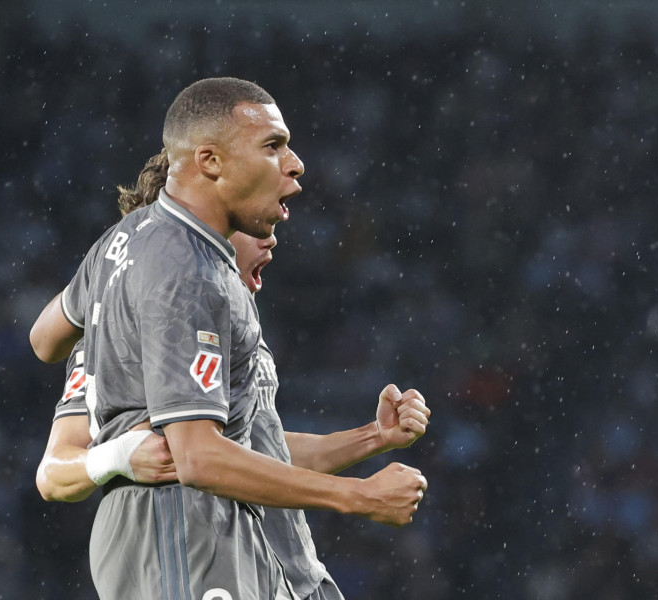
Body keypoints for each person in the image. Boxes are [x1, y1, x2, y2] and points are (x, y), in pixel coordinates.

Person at [33, 77, 428, 600]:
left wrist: (371, 439)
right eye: (272, 146)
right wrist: (359, 497)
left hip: (251, 549)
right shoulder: (183, 269)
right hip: (184, 538)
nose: (294, 165)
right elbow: (196, 458)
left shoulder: (147, 261)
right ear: (211, 167)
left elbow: (45, 336)